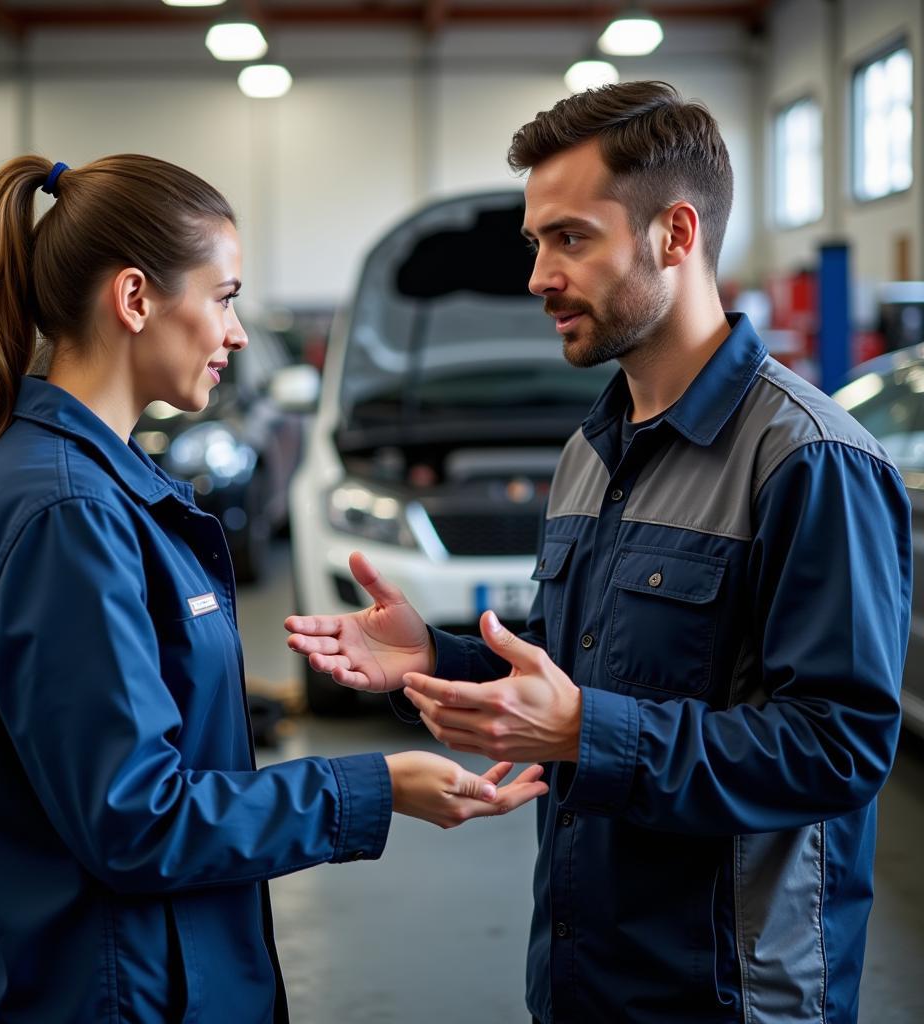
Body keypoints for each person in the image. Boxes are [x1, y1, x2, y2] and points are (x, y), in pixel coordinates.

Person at [286, 82, 912, 1023]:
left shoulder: (808, 460)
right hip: (584, 980)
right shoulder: (589, 452)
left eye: (570, 238)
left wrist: (588, 734)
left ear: (676, 234)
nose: (538, 275)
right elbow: (575, 674)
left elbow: (841, 745)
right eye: (536, 242)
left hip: (732, 996)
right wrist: (443, 659)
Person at [0, 154, 549, 1024]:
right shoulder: (67, 511)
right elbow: (135, 816)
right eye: (224, 296)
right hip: (111, 991)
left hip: (149, 970)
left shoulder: (105, 487)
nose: (238, 333)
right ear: (135, 300)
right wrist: (375, 787)